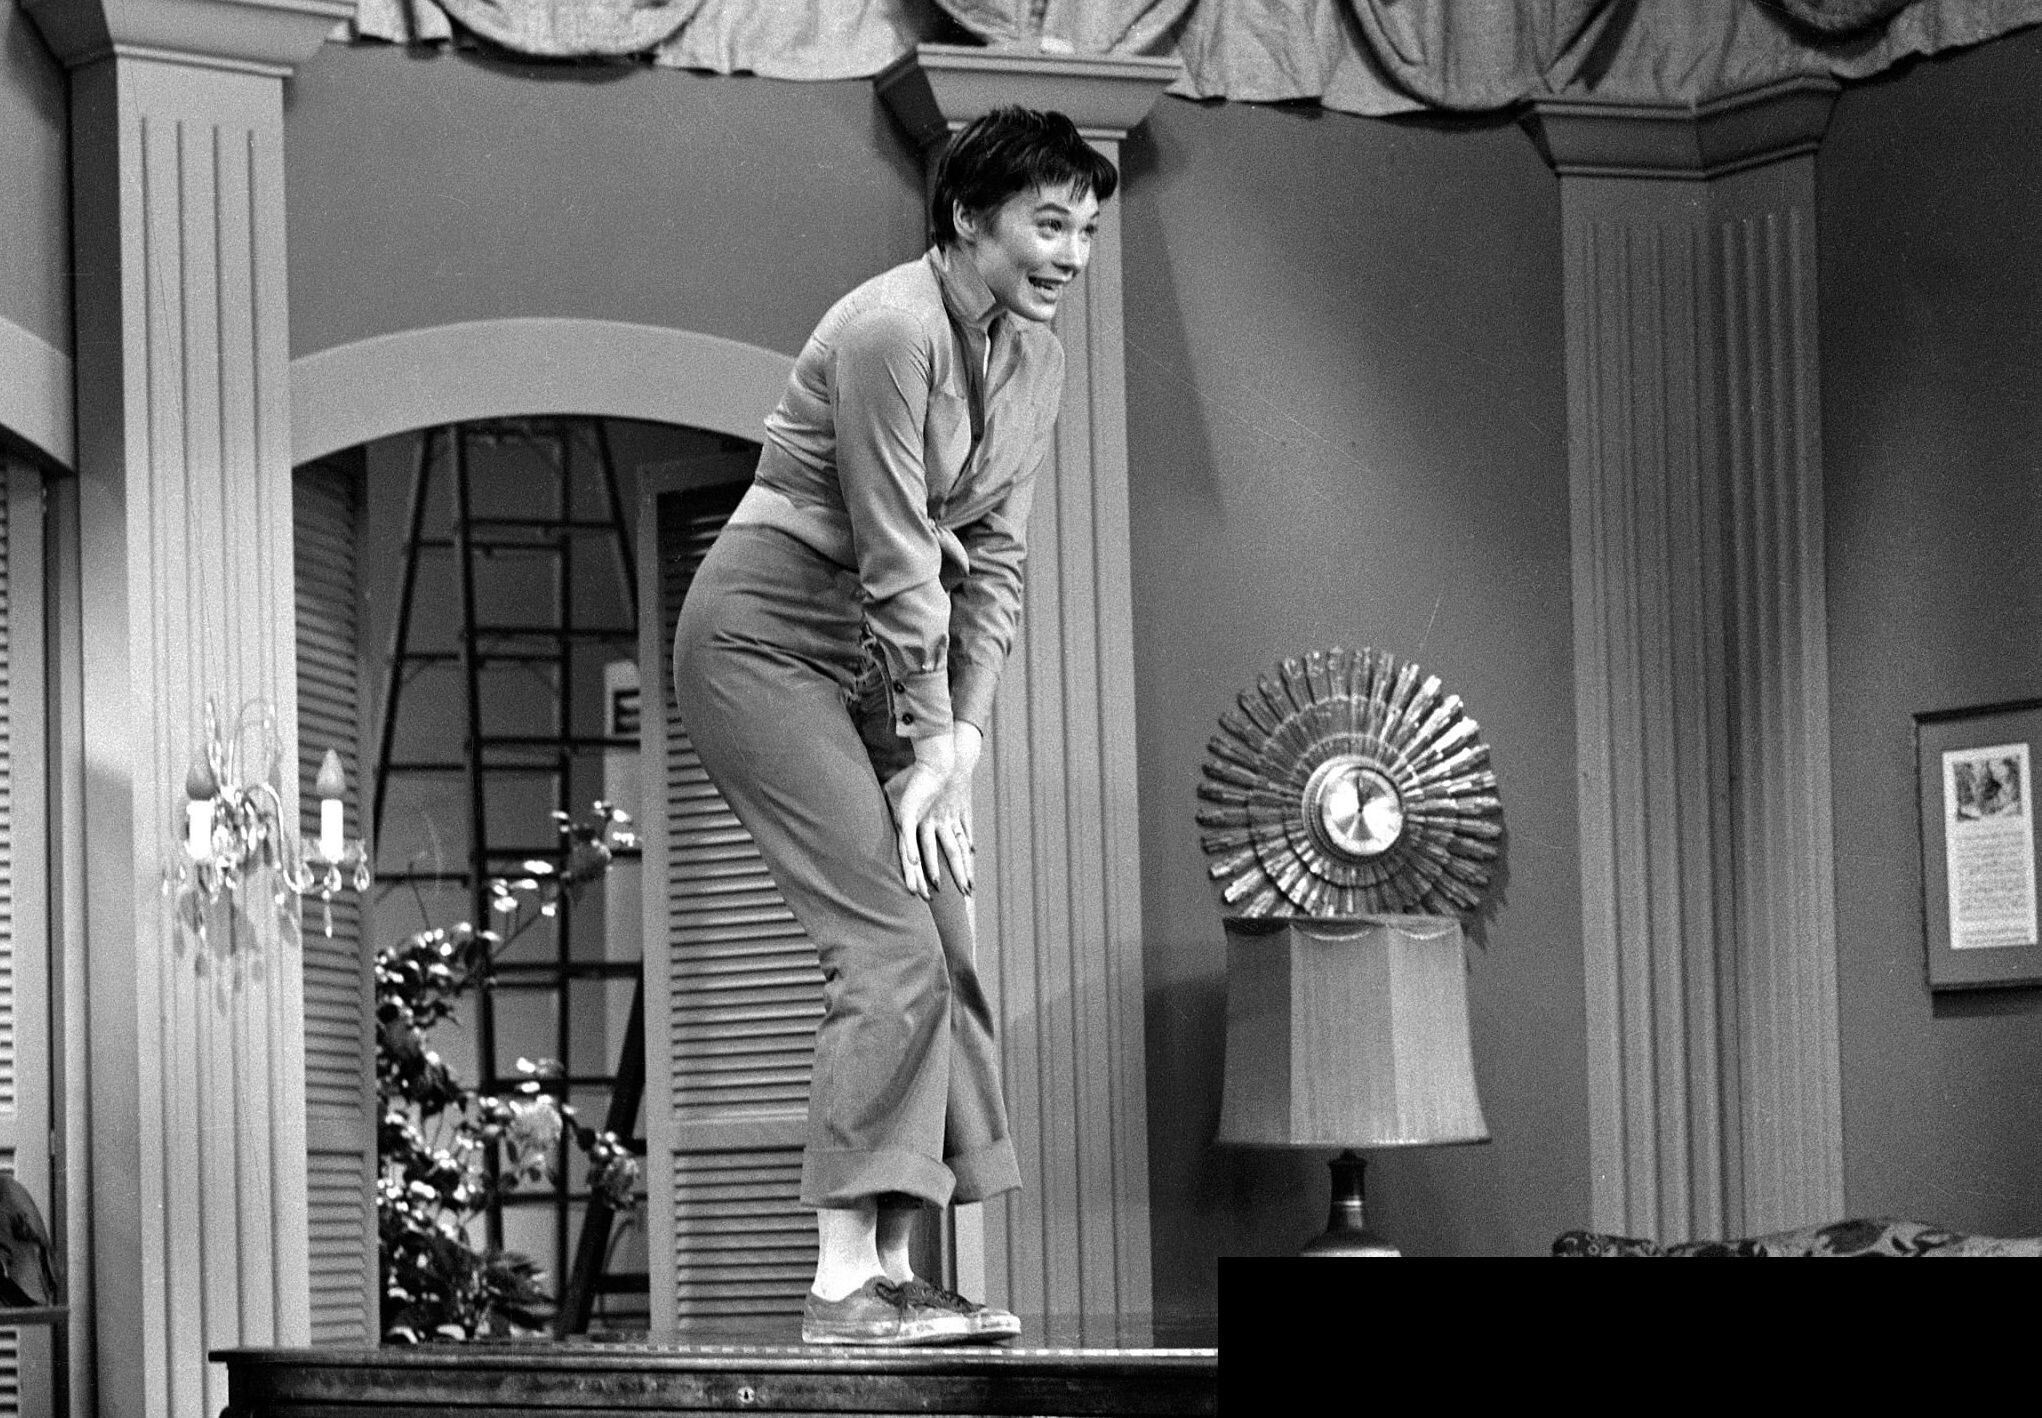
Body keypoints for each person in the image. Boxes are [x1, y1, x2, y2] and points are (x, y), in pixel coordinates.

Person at [671, 107, 1115, 1346]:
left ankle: (898, 1268)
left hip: (879, 664)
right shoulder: (888, 329)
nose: (1071, 253)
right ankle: (837, 1283)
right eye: (1047, 223)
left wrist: (960, 739)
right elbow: (898, 547)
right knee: (885, 945)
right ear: (968, 216)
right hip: (764, 641)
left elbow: (998, 561)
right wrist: (927, 742)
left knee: (944, 936)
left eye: (1085, 229)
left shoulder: (1036, 360)